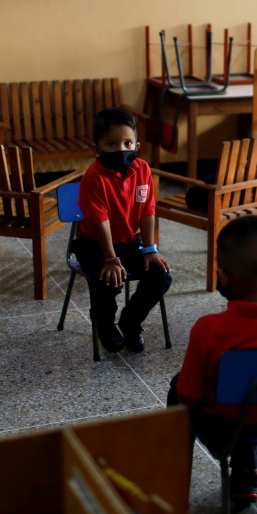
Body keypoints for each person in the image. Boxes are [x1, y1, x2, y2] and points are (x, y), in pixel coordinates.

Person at [167, 216, 257, 507]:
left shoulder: (208, 329)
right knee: (255, 388)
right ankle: (246, 465)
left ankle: (173, 469)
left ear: (222, 276)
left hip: (223, 426)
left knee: (177, 386)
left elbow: (189, 398)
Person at [73, 107, 172, 353]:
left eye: (128, 142)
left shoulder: (143, 169)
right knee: (108, 279)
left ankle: (131, 322)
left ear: (137, 144)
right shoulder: (93, 177)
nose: (121, 149)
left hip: (129, 241)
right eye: (112, 143)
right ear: (97, 147)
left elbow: (148, 211)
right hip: (96, 244)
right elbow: (100, 221)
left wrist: (150, 249)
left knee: (161, 275)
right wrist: (110, 258)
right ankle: (104, 323)